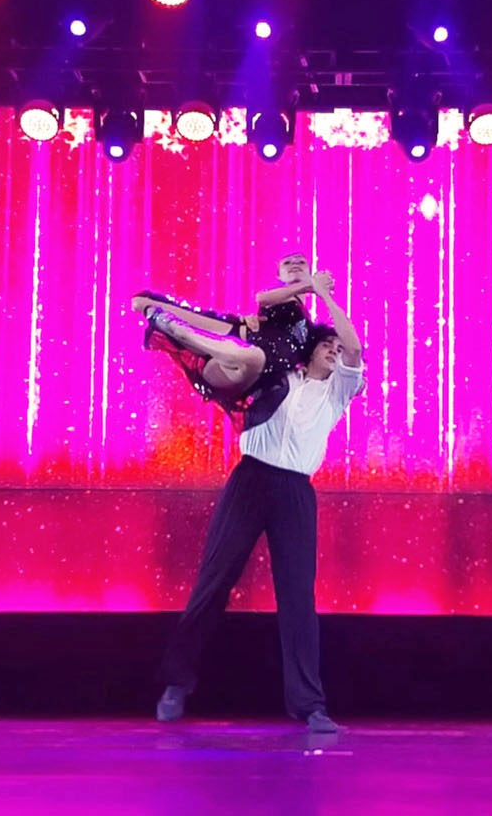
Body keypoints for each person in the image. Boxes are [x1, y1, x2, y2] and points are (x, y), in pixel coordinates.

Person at [155, 269, 364, 733]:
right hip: (250, 479)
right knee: (214, 580)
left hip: (295, 492)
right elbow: (258, 322)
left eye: (335, 349)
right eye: (326, 346)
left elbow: (353, 346)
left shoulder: (338, 391)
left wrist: (326, 298)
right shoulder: (278, 375)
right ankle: (176, 683)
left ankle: (310, 705)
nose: (334, 351)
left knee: (298, 597)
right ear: (310, 350)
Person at [130, 253, 328, 424]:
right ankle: (176, 328)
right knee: (145, 303)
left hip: (247, 375)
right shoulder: (275, 300)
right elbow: (263, 298)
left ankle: (179, 330)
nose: (294, 264)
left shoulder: (309, 328)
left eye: (300, 261)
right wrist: (308, 286)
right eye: (287, 262)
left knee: (254, 357)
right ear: (279, 275)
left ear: (310, 270)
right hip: (232, 342)